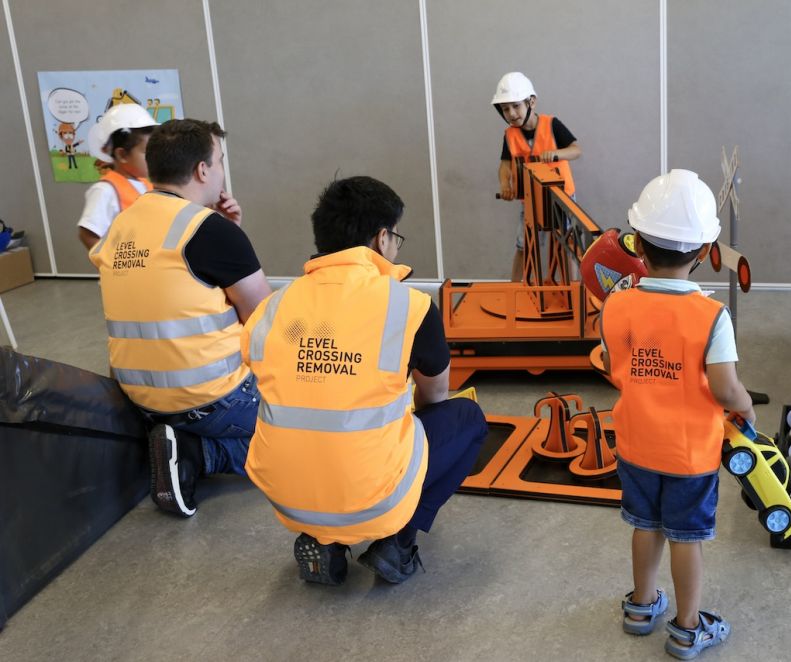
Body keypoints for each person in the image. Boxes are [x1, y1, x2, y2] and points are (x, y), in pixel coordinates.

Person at [242, 176, 488, 587]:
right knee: (465, 418)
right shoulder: (408, 306)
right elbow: (436, 397)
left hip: (285, 495)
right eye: (396, 237)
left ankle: (323, 540)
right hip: (374, 499)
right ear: (381, 238)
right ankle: (397, 543)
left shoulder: (274, 307)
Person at [600, 170, 753, 659]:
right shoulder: (711, 317)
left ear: (639, 244)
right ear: (705, 248)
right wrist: (745, 406)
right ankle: (688, 628)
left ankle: (641, 607)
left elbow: (610, 361)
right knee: (687, 536)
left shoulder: (617, 304)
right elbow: (726, 388)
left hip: (636, 442)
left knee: (646, 525)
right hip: (690, 453)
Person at [90, 118, 272, 518]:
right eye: (219, 161)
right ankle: (199, 453)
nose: (221, 170)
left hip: (136, 397)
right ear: (202, 170)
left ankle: (172, 441)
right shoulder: (207, 231)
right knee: (318, 431)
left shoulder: (121, 225)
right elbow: (263, 321)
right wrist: (230, 237)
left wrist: (227, 235)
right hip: (213, 398)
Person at [493, 72, 581, 281]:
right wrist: (505, 184)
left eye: (516, 106)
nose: (511, 113)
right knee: (524, 245)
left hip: (561, 198)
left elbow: (576, 150)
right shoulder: (510, 135)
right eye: (505, 109)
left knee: (566, 245)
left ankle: (571, 289)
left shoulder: (552, 124)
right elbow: (505, 166)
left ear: (531, 101)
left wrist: (557, 153)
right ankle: (513, 290)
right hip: (531, 201)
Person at [77, 104, 158, 250]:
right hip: (126, 270)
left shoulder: (145, 184)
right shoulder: (104, 190)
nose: (154, 156)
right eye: (147, 151)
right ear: (122, 155)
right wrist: (110, 265)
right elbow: (87, 234)